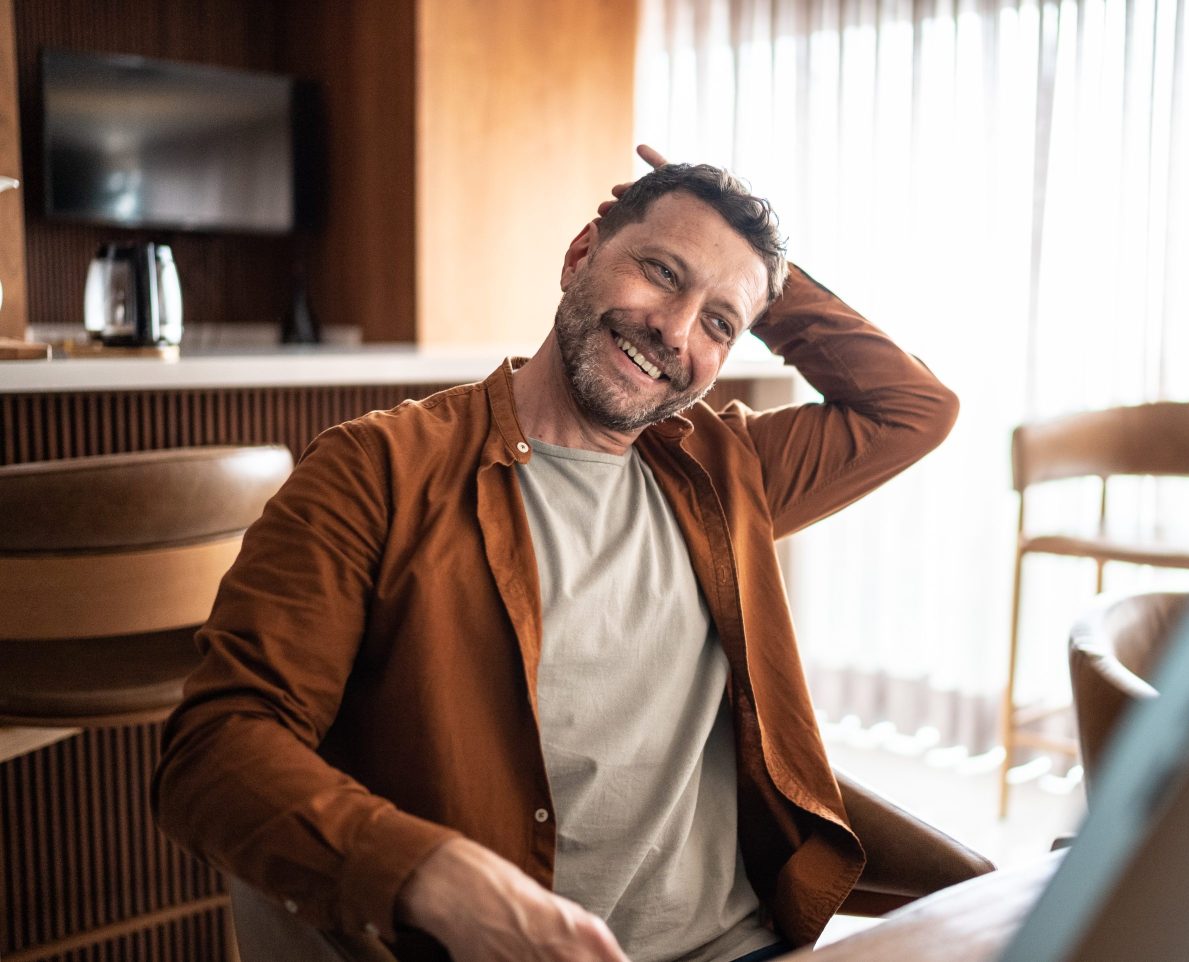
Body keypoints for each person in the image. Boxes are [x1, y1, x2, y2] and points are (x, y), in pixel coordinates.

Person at [153, 146, 959, 962]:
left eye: (720, 324)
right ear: (582, 254)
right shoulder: (378, 470)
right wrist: (432, 875)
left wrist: (761, 282)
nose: (674, 331)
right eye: (662, 271)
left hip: (740, 946)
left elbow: (915, 409)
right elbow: (216, 749)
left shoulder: (730, 473)